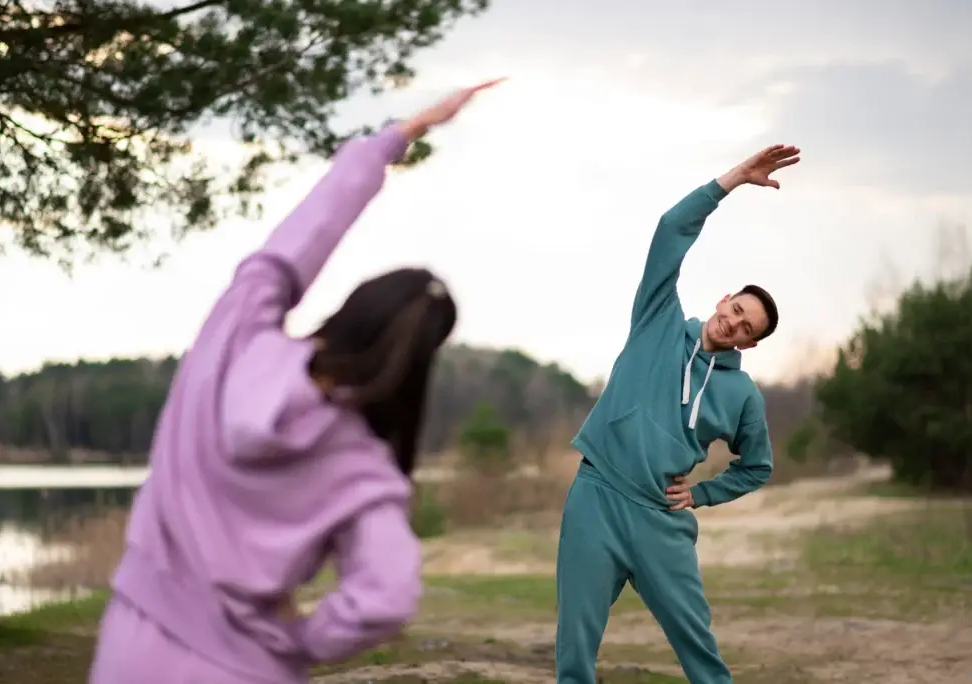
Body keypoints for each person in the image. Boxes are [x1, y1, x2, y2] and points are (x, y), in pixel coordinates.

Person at [88, 80, 502, 684]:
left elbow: (293, 245)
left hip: (133, 649)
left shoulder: (235, 340)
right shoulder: (362, 467)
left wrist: (391, 141)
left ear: (351, 309)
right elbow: (385, 595)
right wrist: (298, 641)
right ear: (420, 366)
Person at [555, 144, 800, 684]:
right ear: (723, 299)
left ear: (752, 344)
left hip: (659, 521)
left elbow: (756, 466)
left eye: (747, 328)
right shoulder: (658, 318)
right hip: (595, 497)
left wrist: (703, 493)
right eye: (736, 310)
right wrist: (732, 180)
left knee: (703, 660)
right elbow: (670, 229)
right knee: (574, 656)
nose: (734, 324)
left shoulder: (742, 397)